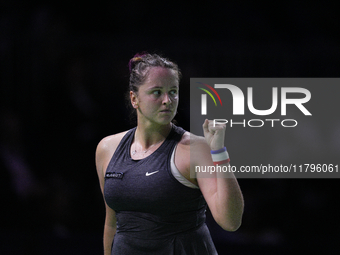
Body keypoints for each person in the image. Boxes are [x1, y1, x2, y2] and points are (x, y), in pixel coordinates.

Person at [95, 53, 244, 254]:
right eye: (157, 92)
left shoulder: (195, 149)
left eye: (173, 91)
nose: (167, 100)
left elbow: (230, 221)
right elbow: (112, 223)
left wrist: (219, 151)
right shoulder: (107, 149)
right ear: (134, 98)